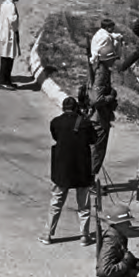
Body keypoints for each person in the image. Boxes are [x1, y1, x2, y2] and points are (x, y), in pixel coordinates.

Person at [42, 96, 95, 246]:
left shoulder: (55, 122)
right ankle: (84, 236)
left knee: (56, 202)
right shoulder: (85, 123)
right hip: (82, 169)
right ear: (76, 107)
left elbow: (56, 136)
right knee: (83, 205)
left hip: (62, 170)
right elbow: (94, 140)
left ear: (63, 108)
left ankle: (47, 235)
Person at [0, 0, 22, 90]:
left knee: (6, 58)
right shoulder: (10, 6)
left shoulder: (4, 4)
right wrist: (16, 30)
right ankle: (3, 81)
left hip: (4, 33)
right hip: (9, 34)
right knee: (7, 60)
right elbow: (13, 21)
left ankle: (7, 80)